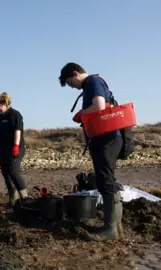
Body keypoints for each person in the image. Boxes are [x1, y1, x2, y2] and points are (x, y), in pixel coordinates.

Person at [58, 62, 123, 241]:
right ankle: (116, 227)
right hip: (105, 139)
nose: (72, 87)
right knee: (107, 181)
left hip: (106, 140)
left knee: (106, 183)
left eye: (70, 83)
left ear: (75, 73)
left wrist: (81, 113)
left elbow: (99, 106)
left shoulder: (93, 83)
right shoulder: (92, 84)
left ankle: (111, 229)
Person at [0, 92, 28, 206]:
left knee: (13, 172)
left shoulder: (15, 114)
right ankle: (14, 198)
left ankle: (25, 198)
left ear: (3, 103)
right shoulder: (0, 117)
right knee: (5, 174)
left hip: (15, 148)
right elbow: (0, 134)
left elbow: (17, 131)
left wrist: (16, 146)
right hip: (3, 149)